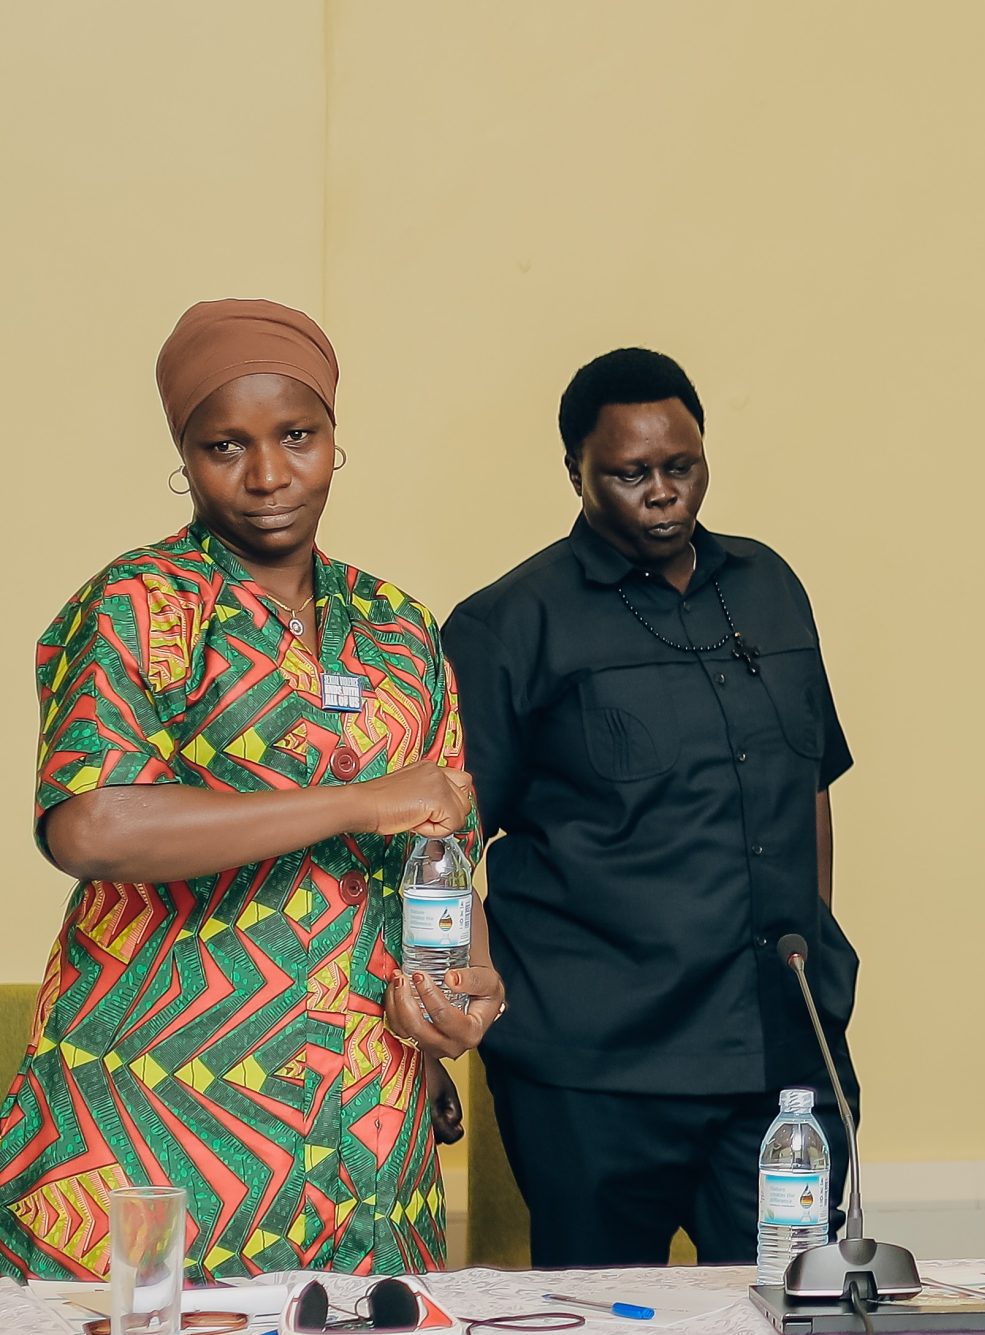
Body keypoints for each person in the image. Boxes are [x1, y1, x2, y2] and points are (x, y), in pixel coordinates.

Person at [0, 300, 499, 1282]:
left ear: (333, 440)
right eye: (226, 445)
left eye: (298, 437)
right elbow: (93, 823)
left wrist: (462, 994)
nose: (268, 474)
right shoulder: (142, 606)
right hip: (154, 1120)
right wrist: (357, 799)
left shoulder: (397, 627)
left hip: (364, 1124)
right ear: (183, 457)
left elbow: (442, 843)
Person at [445, 347, 858, 1268]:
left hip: (782, 1063)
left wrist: (817, 953)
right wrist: (444, 1025)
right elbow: (441, 846)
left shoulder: (770, 589)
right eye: (631, 474)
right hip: (595, 1075)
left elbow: (811, 788)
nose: (664, 493)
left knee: (797, 1332)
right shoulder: (509, 624)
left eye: (683, 467)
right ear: (576, 474)